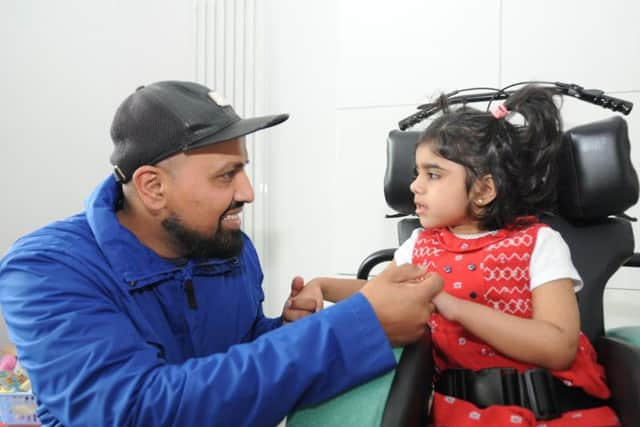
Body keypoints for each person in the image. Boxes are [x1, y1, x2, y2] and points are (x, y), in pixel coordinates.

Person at [0, 80, 444, 427]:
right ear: (153, 187)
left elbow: (229, 358)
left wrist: (285, 330)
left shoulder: (226, 247)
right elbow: (135, 412)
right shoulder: (45, 271)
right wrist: (350, 328)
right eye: (225, 175)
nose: (247, 193)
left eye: (244, 169)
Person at [298, 86, 620, 426]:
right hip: (465, 414)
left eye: (432, 174)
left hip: (559, 409)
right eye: (416, 174)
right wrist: (323, 287)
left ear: (483, 190)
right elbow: (380, 294)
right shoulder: (419, 247)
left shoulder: (538, 243)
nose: (415, 186)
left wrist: (454, 306)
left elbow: (558, 347)